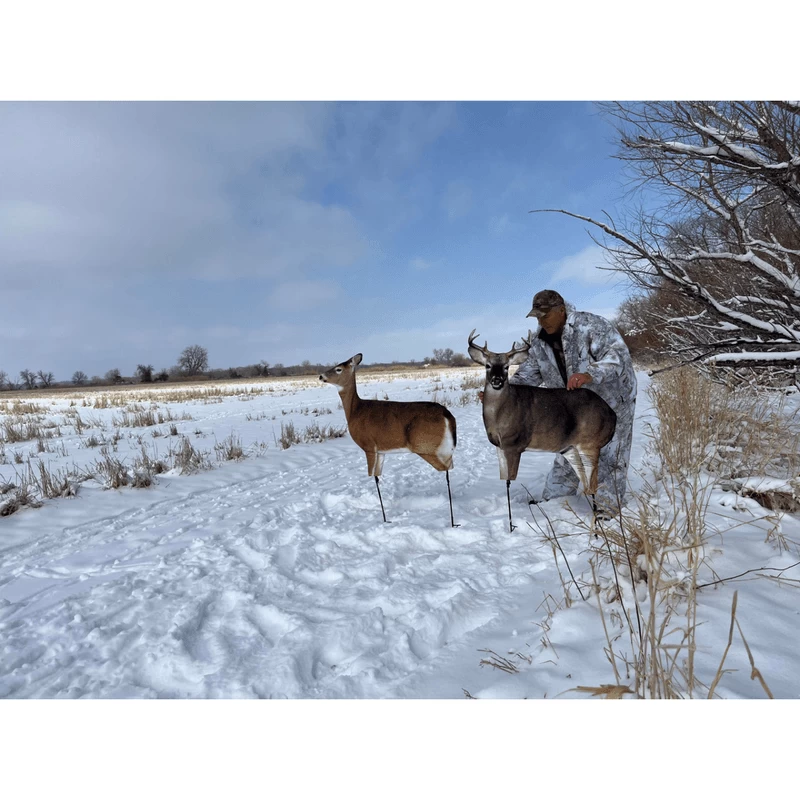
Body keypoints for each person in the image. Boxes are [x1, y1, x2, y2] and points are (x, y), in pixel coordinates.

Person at [485, 289, 637, 517]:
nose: (541, 320)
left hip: (611, 398)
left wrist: (589, 374)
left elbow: (617, 356)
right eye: (537, 316)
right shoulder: (539, 342)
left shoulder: (591, 326)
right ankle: (555, 500)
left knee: (608, 453)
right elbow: (528, 375)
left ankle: (607, 505)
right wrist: (501, 395)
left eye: (545, 315)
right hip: (571, 406)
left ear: (561, 310)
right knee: (566, 447)